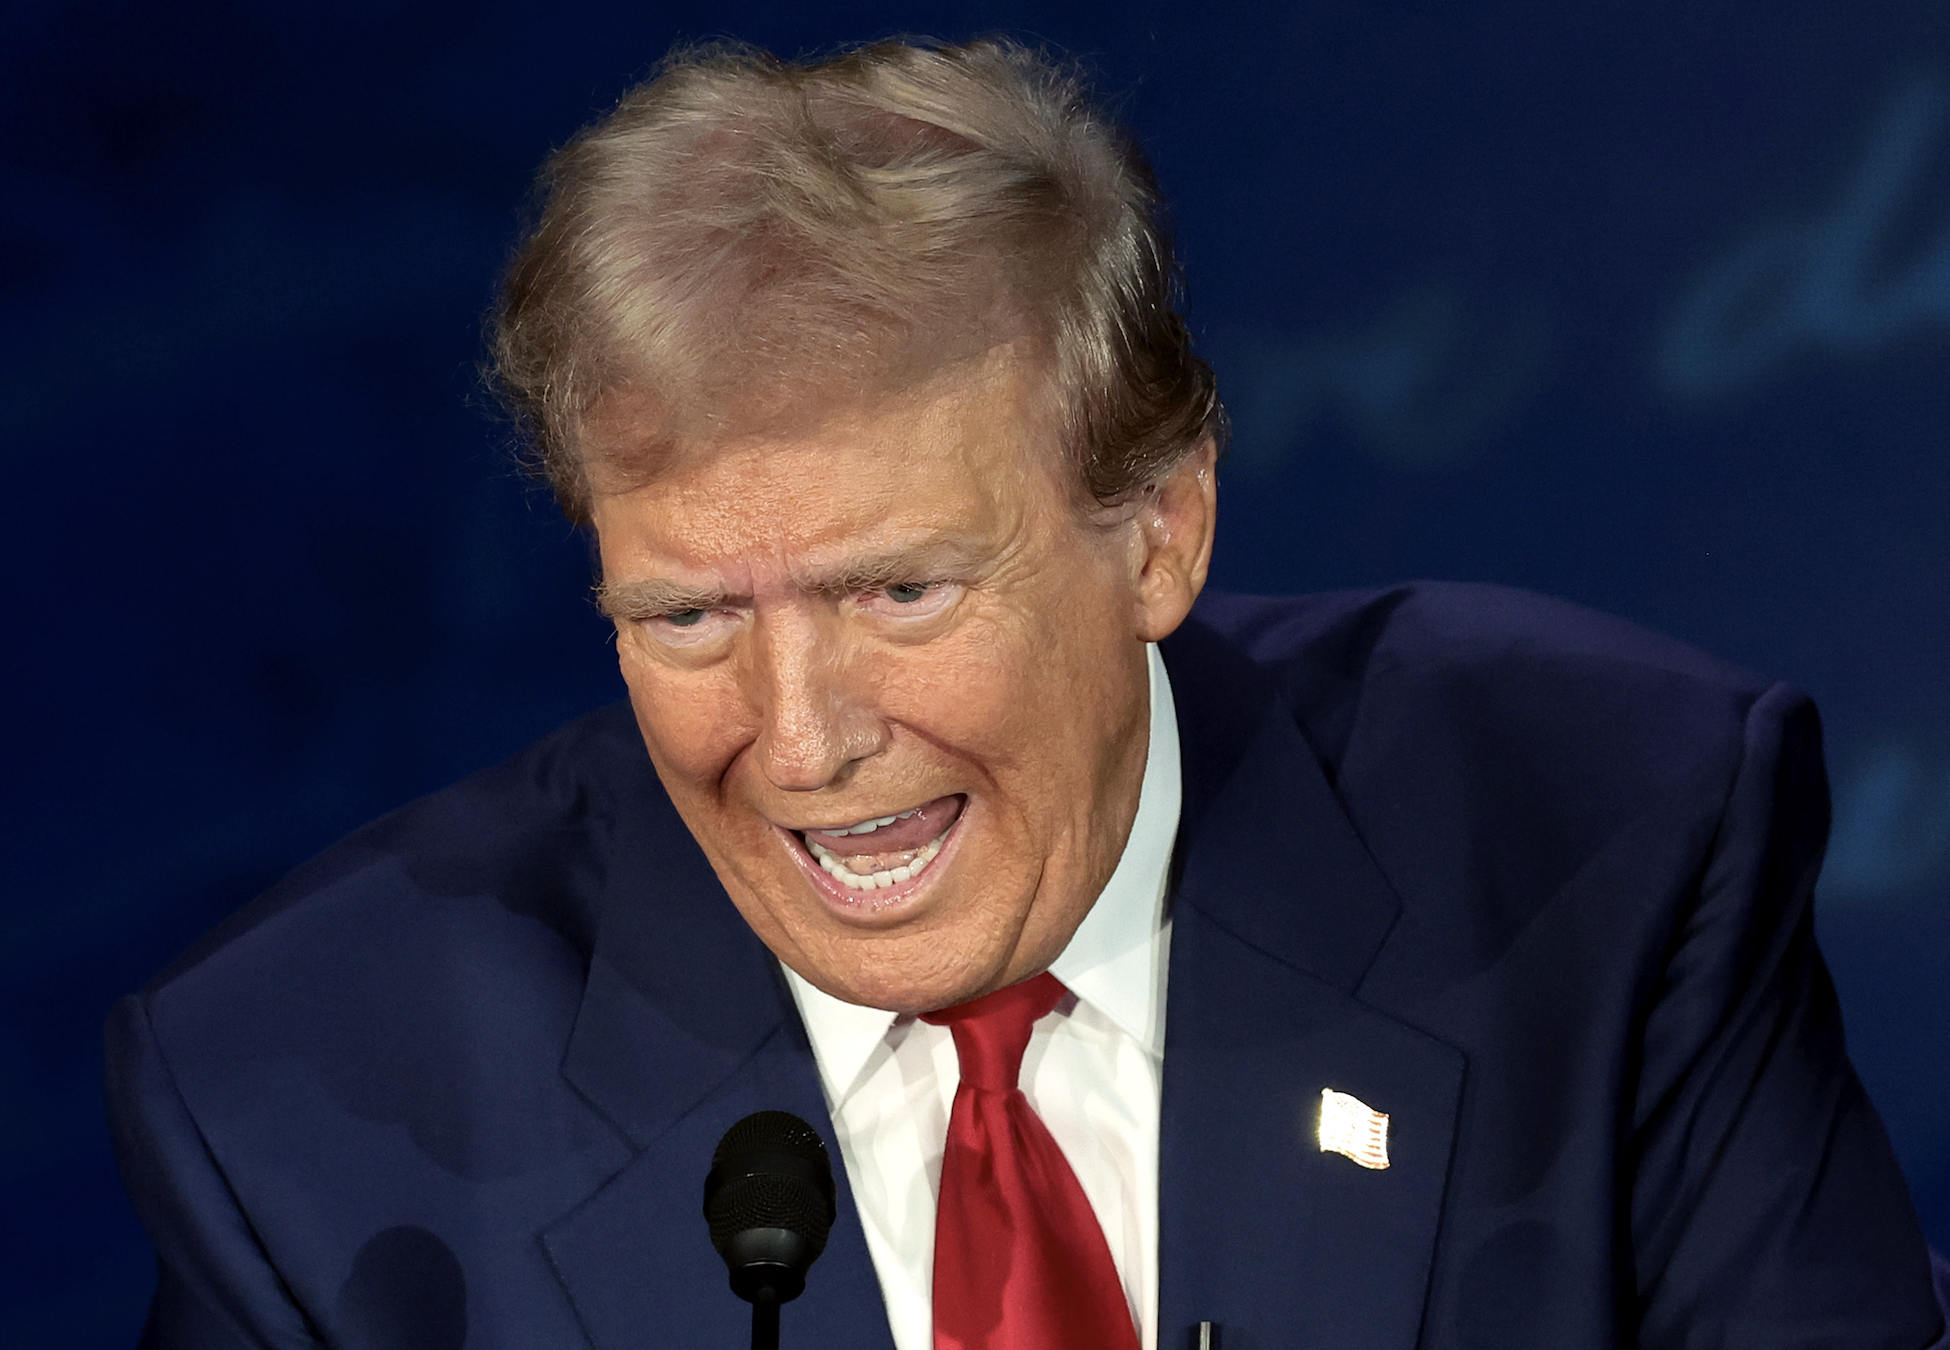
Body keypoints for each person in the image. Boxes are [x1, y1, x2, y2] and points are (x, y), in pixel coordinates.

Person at [106, 37, 1944, 1350]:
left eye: (898, 589)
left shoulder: (1600, 853)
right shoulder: (311, 1105)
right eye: (684, 618)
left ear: (1158, 529)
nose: (803, 733)